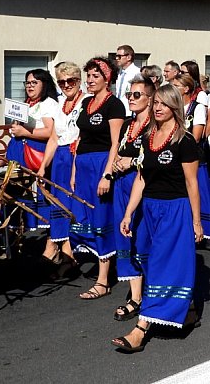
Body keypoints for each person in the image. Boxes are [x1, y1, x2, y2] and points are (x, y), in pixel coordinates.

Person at [112, 84, 203, 353]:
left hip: (174, 210)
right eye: (156, 103)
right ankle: (185, 310)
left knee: (165, 264)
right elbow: (141, 178)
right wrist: (129, 213)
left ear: (175, 106)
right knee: (149, 261)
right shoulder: (147, 137)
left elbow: (192, 184)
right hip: (149, 209)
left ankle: (140, 330)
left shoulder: (184, 141)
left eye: (164, 103)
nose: (158, 108)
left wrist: (196, 222)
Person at [69, 57, 125, 299]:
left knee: (101, 218)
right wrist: (74, 171)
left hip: (101, 164)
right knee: (84, 216)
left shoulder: (114, 105)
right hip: (83, 165)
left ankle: (103, 280)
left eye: (95, 76)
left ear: (107, 78)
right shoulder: (86, 102)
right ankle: (101, 264)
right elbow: (80, 139)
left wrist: (107, 174)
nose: (90, 80)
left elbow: (116, 143)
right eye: (88, 76)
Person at [112, 75, 155, 321]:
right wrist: (116, 164)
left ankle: (153, 294)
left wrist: (134, 161)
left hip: (143, 185)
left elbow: (153, 157)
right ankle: (135, 297)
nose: (131, 98)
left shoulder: (154, 125)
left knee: (145, 239)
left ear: (150, 99)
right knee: (125, 238)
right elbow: (118, 149)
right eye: (129, 95)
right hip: (122, 185)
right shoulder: (129, 124)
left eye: (137, 95)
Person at [37, 62, 89, 267]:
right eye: (62, 82)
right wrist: (43, 166)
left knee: (73, 204)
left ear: (79, 81)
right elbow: (53, 138)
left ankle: (69, 251)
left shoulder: (86, 102)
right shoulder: (57, 103)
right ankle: (62, 250)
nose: (66, 85)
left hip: (76, 156)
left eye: (71, 81)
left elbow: (84, 136)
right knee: (58, 204)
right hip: (59, 157)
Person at [6, 69, 58, 234]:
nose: (30, 86)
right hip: (19, 152)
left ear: (44, 84)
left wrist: (25, 133)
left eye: (34, 82)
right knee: (18, 192)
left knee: (38, 192)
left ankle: (45, 234)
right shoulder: (26, 103)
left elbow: (50, 131)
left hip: (35, 153)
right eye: (27, 82)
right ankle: (19, 229)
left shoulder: (48, 104)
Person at [173, 73, 210, 239]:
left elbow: (196, 136)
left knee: (198, 194)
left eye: (176, 86)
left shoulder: (198, 107)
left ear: (186, 89)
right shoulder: (174, 109)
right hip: (176, 158)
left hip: (194, 158)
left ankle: (203, 232)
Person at [115, 45, 140, 116]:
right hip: (119, 111)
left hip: (130, 112)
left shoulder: (137, 73)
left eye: (119, 56)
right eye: (116, 56)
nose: (117, 59)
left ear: (128, 57)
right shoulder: (120, 73)